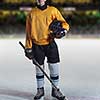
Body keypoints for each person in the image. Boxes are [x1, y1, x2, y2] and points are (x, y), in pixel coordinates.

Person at [25, 0, 69, 99]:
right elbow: (28, 32)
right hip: (37, 45)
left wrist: (63, 31)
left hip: (50, 44)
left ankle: (55, 90)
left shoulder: (53, 10)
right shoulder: (32, 13)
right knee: (39, 69)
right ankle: (40, 91)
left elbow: (64, 24)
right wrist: (28, 47)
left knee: (54, 67)